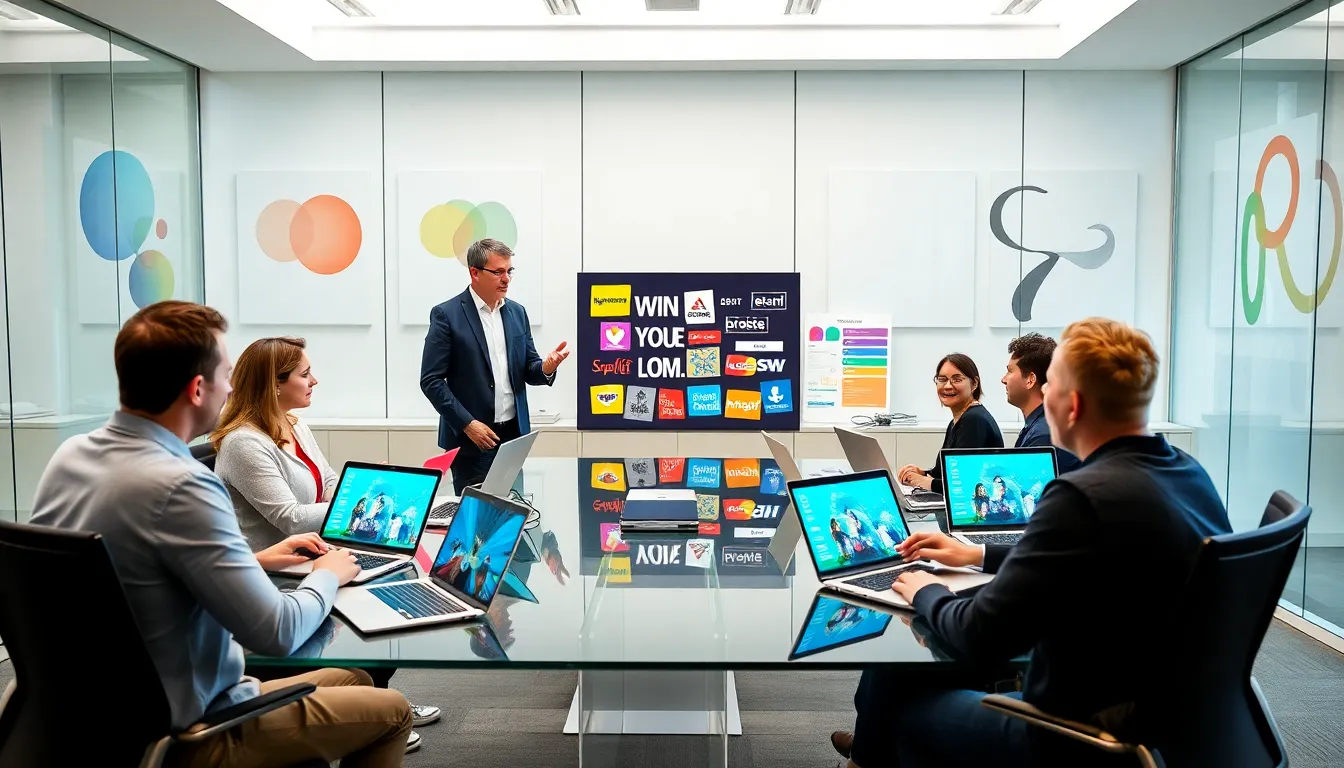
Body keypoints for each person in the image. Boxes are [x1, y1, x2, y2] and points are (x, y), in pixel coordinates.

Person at [830, 317, 1233, 767]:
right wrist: (978, 554)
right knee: (900, 678)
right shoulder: (1187, 473)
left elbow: (979, 635)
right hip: (1172, 714)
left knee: (898, 692)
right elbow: (1079, 559)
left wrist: (926, 591)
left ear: (1072, 403)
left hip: (1071, 733)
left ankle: (870, 752)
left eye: (1051, 388)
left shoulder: (1081, 497)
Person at [29, 301, 412, 768]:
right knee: (392, 710)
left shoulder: (70, 457)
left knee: (354, 677)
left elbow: (135, 571)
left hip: (89, 710)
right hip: (193, 728)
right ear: (197, 389)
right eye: (226, 375)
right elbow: (278, 632)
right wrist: (328, 573)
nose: (232, 388)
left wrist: (259, 560)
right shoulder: (183, 484)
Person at [212, 336, 441, 749]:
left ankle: (377, 704)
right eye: (304, 374)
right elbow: (288, 518)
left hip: (314, 553)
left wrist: (370, 496)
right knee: (375, 597)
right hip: (280, 569)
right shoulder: (244, 443)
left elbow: (331, 483)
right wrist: (362, 511)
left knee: (393, 585)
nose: (314, 380)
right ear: (274, 384)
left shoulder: (293, 423)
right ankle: (372, 713)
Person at [420, 238, 571, 494]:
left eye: (509, 271)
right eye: (498, 271)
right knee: (476, 525)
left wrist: (546, 367)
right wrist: (468, 424)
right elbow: (431, 381)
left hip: (512, 439)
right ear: (474, 273)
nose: (506, 279)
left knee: (512, 518)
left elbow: (528, 369)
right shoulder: (447, 315)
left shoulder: (517, 313)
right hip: (472, 442)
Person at [897, 353, 1004, 494]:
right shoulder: (957, 421)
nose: (947, 386)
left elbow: (964, 483)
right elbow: (943, 473)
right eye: (942, 379)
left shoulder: (974, 420)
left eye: (956, 379)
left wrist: (925, 482)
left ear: (975, 384)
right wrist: (922, 473)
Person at [1003, 332, 1082, 473]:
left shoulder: (1043, 436)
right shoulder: (1041, 425)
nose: (1003, 379)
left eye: (1009, 371)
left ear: (1030, 380)